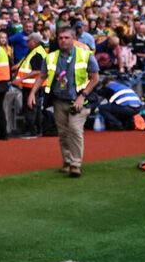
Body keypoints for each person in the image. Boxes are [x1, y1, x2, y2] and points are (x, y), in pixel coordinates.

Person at [29, 27, 99, 177]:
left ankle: (75, 164)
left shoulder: (85, 55)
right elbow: (42, 76)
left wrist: (83, 96)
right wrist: (32, 93)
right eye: (60, 38)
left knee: (75, 129)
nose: (63, 40)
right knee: (63, 133)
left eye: (67, 38)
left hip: (80, 100)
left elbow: (95, 78)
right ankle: (67, 161)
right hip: (59, 100)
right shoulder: (50, 57)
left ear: (73, 39)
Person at [14, 33, 48, 137]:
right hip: (33, 84)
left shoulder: (37, 53)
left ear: (34, 42)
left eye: (28, 41)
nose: (26, 43)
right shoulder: (36, 51)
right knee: (34, 107)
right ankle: (36, 129)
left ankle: (31, 129)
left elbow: (37, 71)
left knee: (30, 107)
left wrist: (21, 79)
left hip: (32, 85)